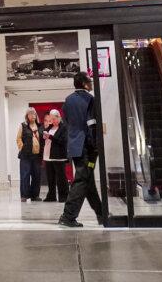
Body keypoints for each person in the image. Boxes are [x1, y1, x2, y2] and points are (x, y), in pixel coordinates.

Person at [59, 72, 104, 227]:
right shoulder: (90, 99)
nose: (91, 84)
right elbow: (92, 124)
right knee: (81, 181)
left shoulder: (68, 100)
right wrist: (95, 146)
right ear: (85, 84)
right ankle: (68, 216)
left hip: (74, 146)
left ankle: (101, 214)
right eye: (89, 81)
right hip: (86, 146)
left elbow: (67, 122)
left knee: (87, 180)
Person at [16, 107, 43, 202]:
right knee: (25, 175)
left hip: (37, 155)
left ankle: (35, 196)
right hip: (25, 156)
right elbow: (18, 138)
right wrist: (22, 148)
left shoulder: (40, 126)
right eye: (30, 114)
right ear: (27, 116)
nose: (33, 115)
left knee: (37, 175)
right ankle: (24, 195)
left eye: (34, 114)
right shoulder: (23, 126)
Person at [42, 109, 69, 203]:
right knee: (50, 177)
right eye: (51, 119)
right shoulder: (49, 127)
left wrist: (50, 137)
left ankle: (64, 196)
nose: (52, 121)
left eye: (54, 119)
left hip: (59, 156)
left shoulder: (64, 127)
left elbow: (63, 141)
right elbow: (46, 138)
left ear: (59, 117)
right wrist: (44, 137)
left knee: (61, 178)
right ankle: (51, 196)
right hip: (48, 155)